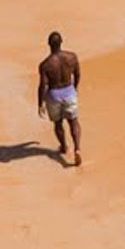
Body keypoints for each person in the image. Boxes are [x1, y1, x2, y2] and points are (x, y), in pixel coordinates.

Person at [37, 32, 82, 166]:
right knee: (73, 122)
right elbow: (77, 74)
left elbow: (42, 86)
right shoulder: (72, 57)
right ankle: (78, 148)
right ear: (61, 42)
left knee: (58, 124)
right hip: (69, 92)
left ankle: (63, 147)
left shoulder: (45, 64)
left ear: (49, 45)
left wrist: (40, 103)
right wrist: (75, 87)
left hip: (54, 95)